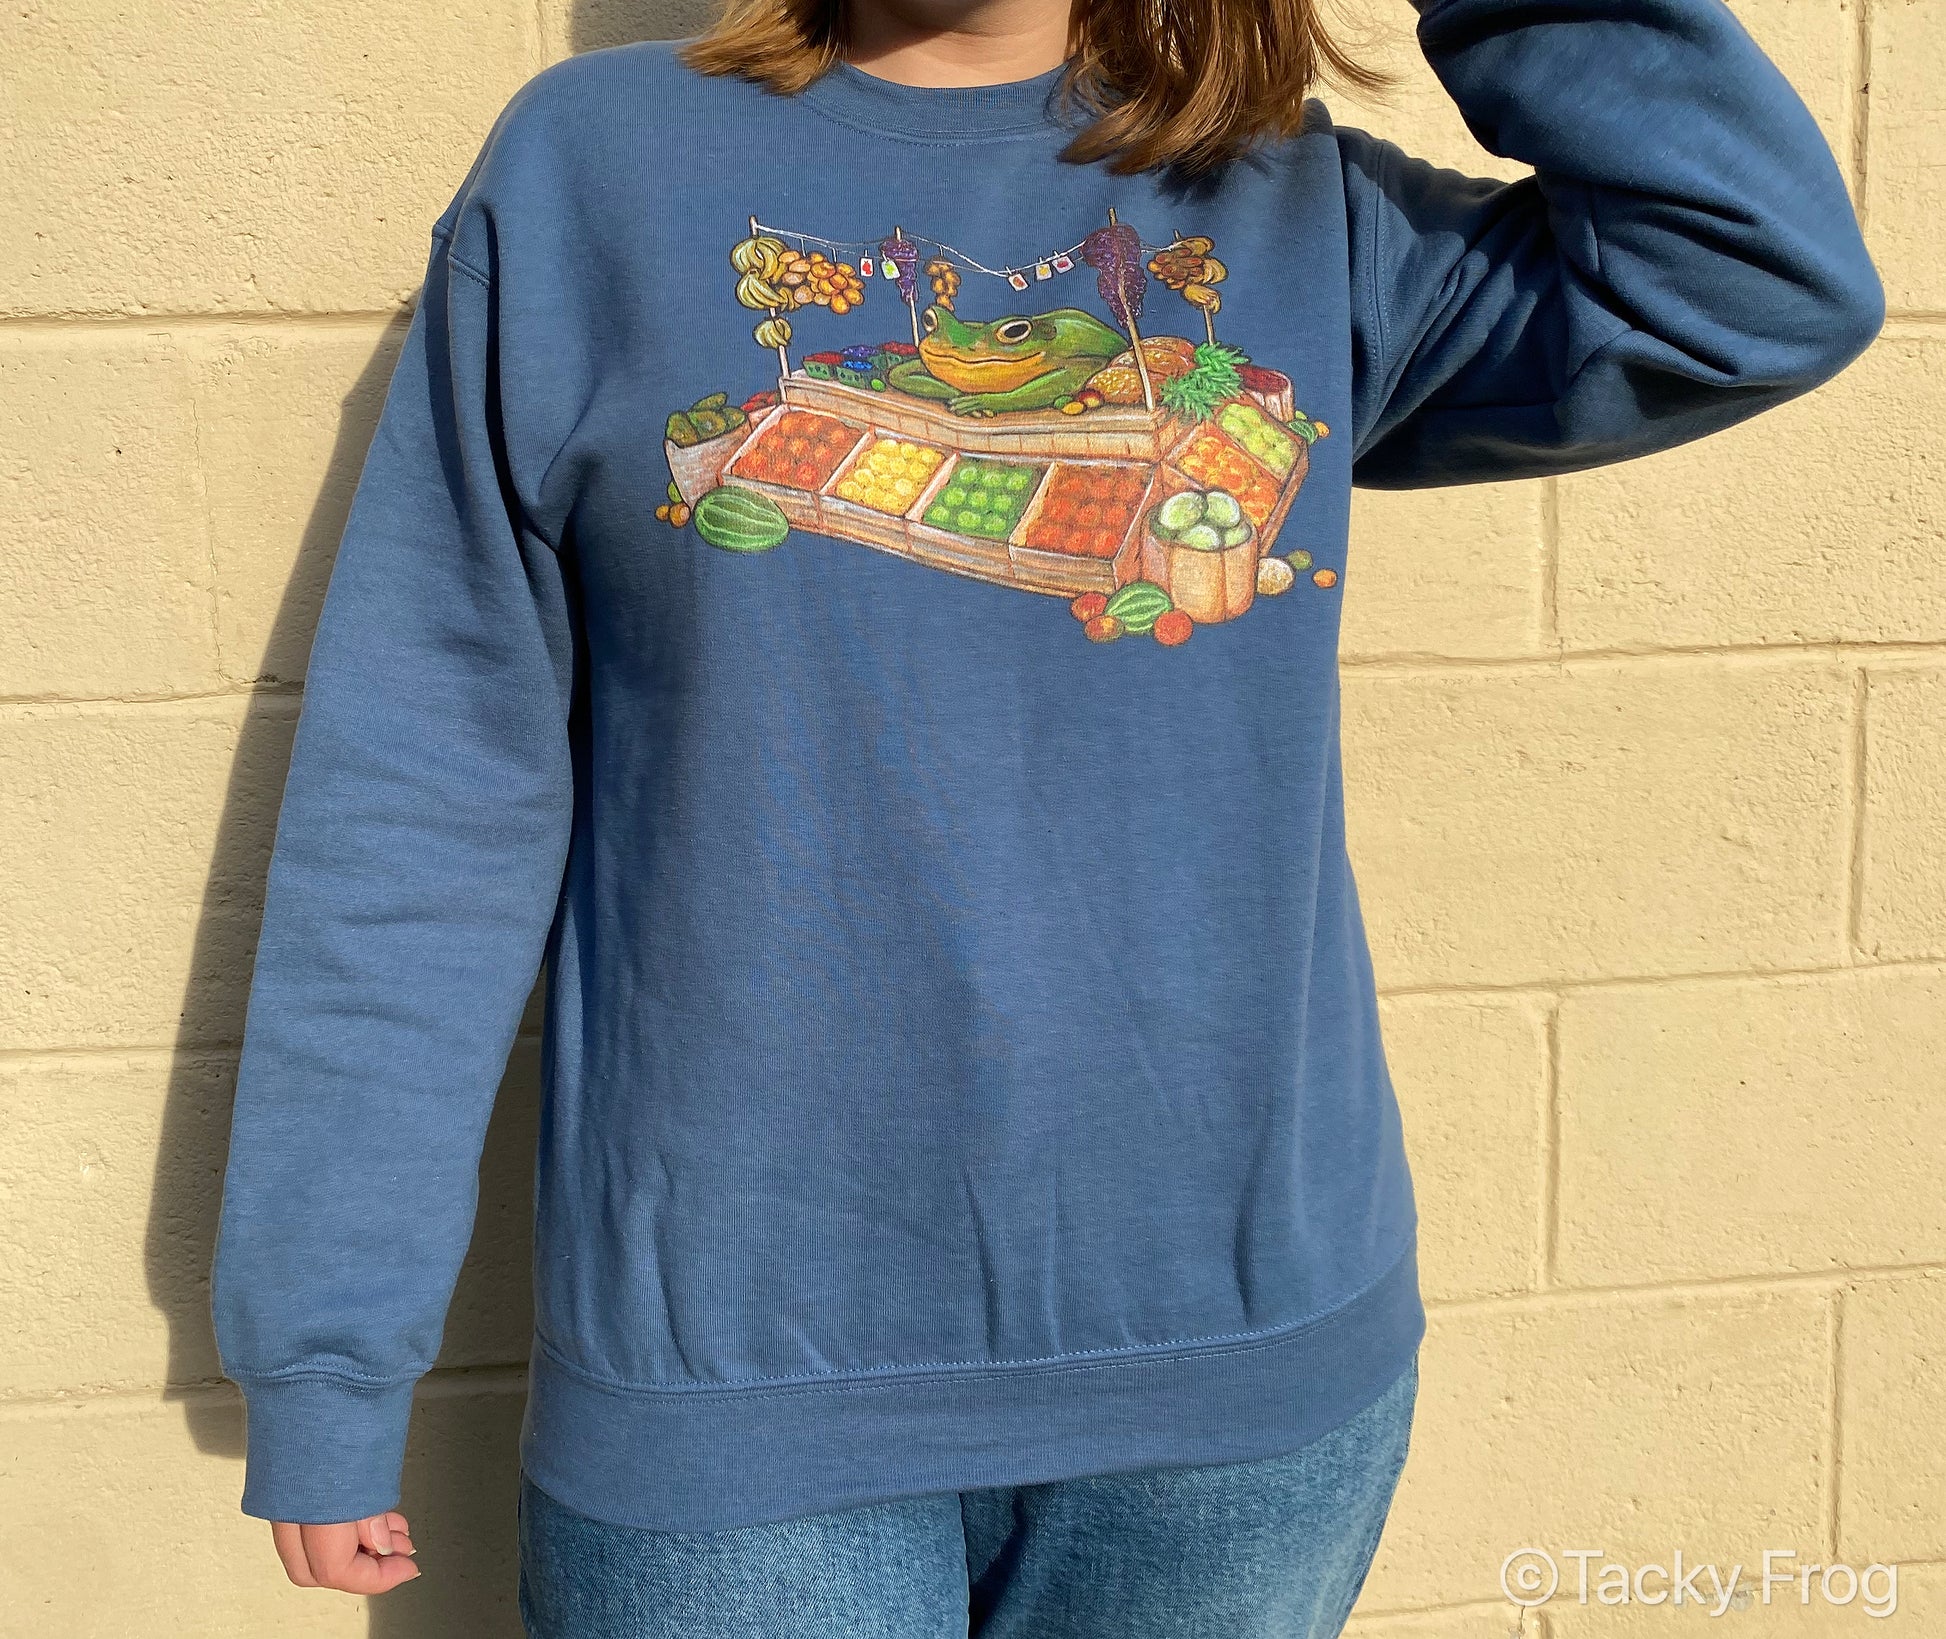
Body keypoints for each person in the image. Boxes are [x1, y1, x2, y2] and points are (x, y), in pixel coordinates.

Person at [207, 0, 1883, 1627]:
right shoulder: (595, 163)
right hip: (742, 1387)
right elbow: (424, 798)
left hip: (1236, 1389)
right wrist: (331, 1347)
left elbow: (1748, 285)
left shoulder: (1289, 196)